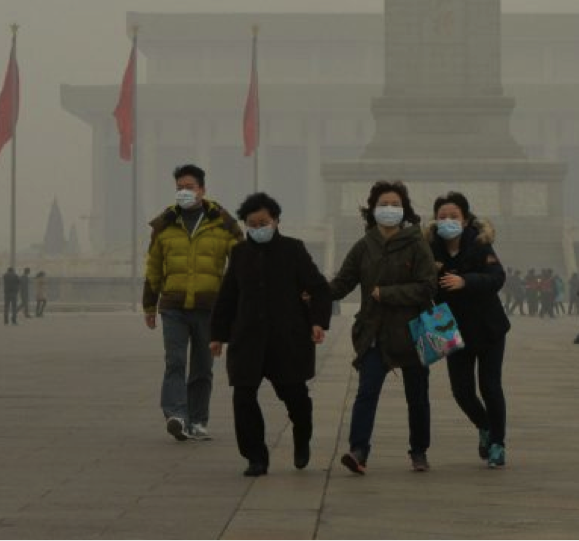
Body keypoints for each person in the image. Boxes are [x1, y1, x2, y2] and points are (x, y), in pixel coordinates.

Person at [209, 192, 332, 477]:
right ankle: (255, 457)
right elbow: (227, 297)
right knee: (243, 398)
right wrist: (217, 335)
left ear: (276, 220)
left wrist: (317, 322)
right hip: (248, 339)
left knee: (296, 398)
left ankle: (302, 436)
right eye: (252, 224)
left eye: (263, 222)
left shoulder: (293, 249)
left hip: (287, 339)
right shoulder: (239, 254)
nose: (258, 228)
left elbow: (318, 288)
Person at [328, 181, 437, 475]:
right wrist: (312, 293)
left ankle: (419, 450)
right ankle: (358, 450)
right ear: (373, 209)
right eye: (384, 204)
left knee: (417, 396)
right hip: (375, 332)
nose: (390, 209)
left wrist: (386, 293)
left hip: (414, 330)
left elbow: (428, 286)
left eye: (395, 204)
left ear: (404, 210)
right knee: (366, 392)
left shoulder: (416, 243)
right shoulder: (364, 246)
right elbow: (342, 284)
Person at [142, 164, 243, 442]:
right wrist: (150, 306)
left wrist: (235, 305)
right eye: (179, 188)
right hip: (173, 305)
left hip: (208, 307)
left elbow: (240, 264)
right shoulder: (165, 223)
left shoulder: (223, 223)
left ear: (202, 190)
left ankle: (198, 420)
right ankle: (176, 415)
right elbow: (153, 267)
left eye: (189, 187)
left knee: (202, 367)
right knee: (174, 361)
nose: (184, 192)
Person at [427, 191, 511, 469]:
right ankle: (485, 426)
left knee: (490, 387)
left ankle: (497, 443)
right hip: (450, 328)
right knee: (461, 391)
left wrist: (466, 281)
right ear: (435, 221)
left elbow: (497, 278)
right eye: (442, 217)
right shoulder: (428, 248)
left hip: (488, 327)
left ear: (465, 220)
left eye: (454, 216)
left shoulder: (480, 244)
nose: (448, 220)